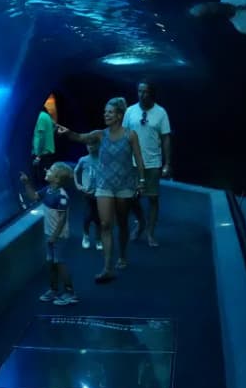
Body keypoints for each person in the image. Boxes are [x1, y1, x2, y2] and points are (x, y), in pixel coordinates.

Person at [56, 97, 145, 283]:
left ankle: (122, 255)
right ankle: (107, 267)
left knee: (122, 223)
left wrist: (142, 180)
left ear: (119, 115)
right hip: (104, 186)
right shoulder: (100, 135)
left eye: (110, 112)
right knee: (105, 224)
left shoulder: (131, 135)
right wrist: (68, 133)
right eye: (105, 111)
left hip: (124, 186)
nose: (106, 114)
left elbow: (138, 158)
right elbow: (81, 137)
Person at [20, 162, 79, 305]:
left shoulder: (62, 196)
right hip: (50, 234)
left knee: (59, 262)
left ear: (57, 179)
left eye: (51, 170)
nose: (47, 169)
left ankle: (70, 293)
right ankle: (53, 290)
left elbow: (62, 219)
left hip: (58, 236)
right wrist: (27, 183)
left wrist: (54, 236)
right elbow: (34, 197)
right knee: (51, 262)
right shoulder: (48, 190)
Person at [123, 80, 172, 246]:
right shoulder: (130, 111)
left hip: (152, 162)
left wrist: (167, 163)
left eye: (145, 92)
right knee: (131, 198)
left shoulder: (161, 113)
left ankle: (150, 233)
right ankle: (141, 223)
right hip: (132, 163)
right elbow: (123, 135)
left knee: (152, 199)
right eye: (139, 91)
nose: (141, 95)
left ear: (152, 93)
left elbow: (166, 138)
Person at [74, 142, 103, 251]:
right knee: (87, 216)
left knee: (99, 218)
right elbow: (75, 172)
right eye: (88, 144)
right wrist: (78, 185)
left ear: (98, 145)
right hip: (88, 193)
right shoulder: (83, 160)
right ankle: (85, 236)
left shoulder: (103, 159)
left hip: (100, 193)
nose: (91, 146)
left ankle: (98, 238)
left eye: (93, 144)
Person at [31, 106, 56, 185]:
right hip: (49, 150)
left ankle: (42, 195)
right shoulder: (46, 115)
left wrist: (38, 156)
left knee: (41, 178)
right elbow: (55, 125)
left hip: (42, 153)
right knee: (48, 175)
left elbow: (40, 137)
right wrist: (50, 135)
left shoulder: (40, 117)